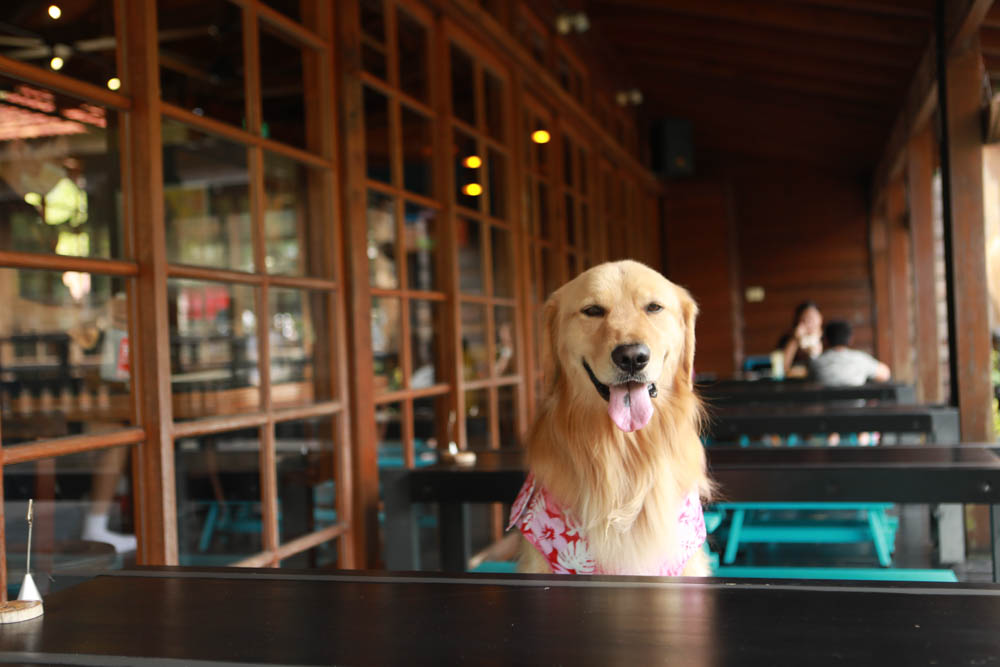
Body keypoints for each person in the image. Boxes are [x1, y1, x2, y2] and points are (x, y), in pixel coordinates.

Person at [810, 319, 891, 386]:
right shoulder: (861, 359)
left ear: (825, 340)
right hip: (858, 405)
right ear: (850, 339)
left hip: (827, 405)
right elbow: (885, 374)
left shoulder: (816, 362)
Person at [777, 301, 823, 376]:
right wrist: (795, 340)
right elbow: (781, 368)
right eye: (805, 318)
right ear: (798, 321)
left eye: (813, 317)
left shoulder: (827, 338)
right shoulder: (788, 339)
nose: (809, 321)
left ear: (820, 318)